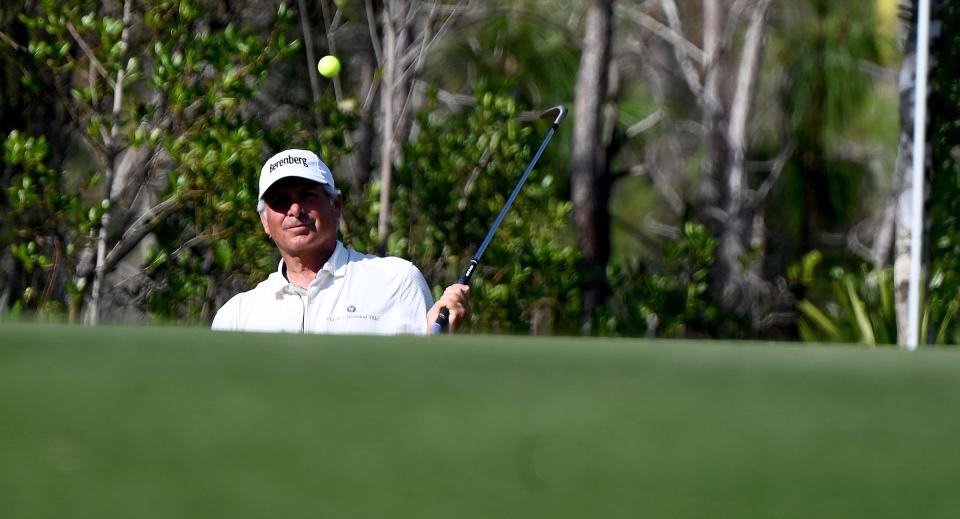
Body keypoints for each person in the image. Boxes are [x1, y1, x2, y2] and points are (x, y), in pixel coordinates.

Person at [211, 149, 470, 335]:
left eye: (307, 195)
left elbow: (425, 383)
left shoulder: (397, 282)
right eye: (280, 201)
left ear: (336, 205)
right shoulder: (235, 317)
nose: (295, 209)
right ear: (265, 221)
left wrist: (442, 340)